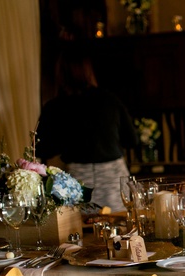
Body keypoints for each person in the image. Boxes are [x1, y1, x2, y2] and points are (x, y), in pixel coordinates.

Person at [36, 48, 137, 212]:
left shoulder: (55, 107)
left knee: (76, 230)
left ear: (61, 74)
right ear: (89, 72)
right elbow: (132, 139)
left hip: (76, 179)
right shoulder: (110, 100)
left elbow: (41, 148)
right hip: (114, 176)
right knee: (121, 230)